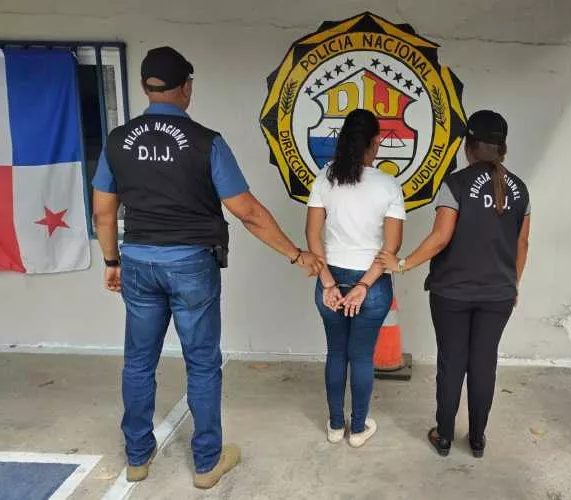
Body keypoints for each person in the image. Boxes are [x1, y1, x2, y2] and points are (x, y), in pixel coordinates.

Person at [92, 46, 323, 489]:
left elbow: (103, 212)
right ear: (187, 88)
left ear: (143, 87)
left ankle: (137, 457)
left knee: (138, 362)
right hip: (191, 266)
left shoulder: (118, 140)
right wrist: (296, 254)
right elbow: (247, 211)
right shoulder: (205, 141)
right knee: (201, 364)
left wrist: (111, 260)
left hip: (138, 261)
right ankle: (206, 464)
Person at [376, 110, 530, 458]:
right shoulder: (520, 189)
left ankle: (444, 436)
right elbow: (522, 244)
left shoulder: (455, 184)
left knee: (452, 362)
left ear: (468, 146)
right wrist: (513, 284)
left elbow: (441, 237)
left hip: (452, 293)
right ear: (503, 148)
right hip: (498, 294)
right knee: (484, 363)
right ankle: (477, 439)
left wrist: (403, 263)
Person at [306, 109, 406, 448]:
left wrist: (328, 282)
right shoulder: (389, 185)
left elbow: (312, 235)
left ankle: (336, 426)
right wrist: (364, 285)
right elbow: (392, 247)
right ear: (375, 142)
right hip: (372, 284)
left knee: (336, 353)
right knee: (361, 357)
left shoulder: (324, 179)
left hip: (331, 278)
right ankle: (358, 429)